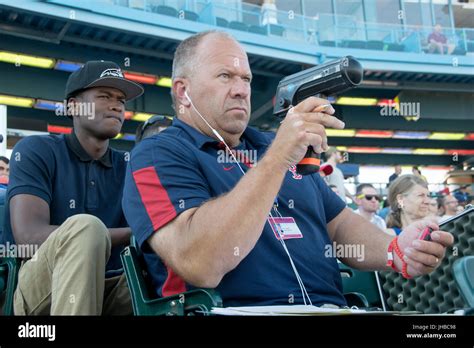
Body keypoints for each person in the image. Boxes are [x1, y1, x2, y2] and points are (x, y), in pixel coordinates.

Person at [123, 31, 453, 307]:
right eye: (225, 76)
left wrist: (395, 250)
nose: (241, 89)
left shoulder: (275, 144)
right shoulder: (157, 154)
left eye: (246, 79)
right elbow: (200, 263)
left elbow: (338, 226)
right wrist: (277, 159)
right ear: (183, 92)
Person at [2, 60, 144, 315]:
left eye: (121, 100)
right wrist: (133, 232)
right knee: (86, 228)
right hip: (40, 289)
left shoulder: (130, 164)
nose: (116, 105)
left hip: (109, 286)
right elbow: (28, 237)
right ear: (73, 105)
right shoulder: (36, 150)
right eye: (104, 96)